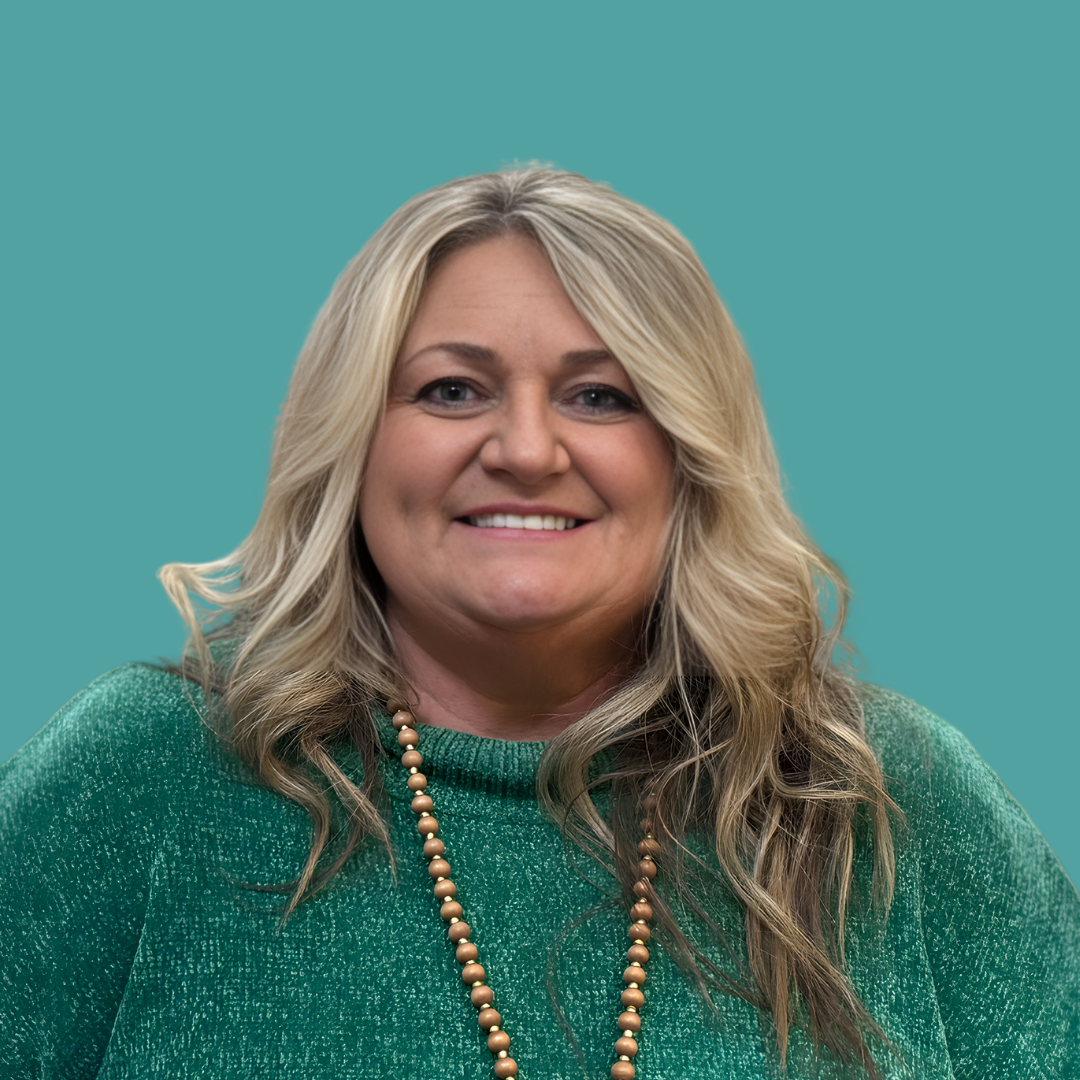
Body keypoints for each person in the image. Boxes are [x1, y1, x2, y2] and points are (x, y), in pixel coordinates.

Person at [1, 168, 1077, 1080]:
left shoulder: (889, 797)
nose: (525, 448)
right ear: (352, 445)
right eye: (452, 390)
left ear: (689, 456)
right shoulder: (141, 776)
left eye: (601, 397)